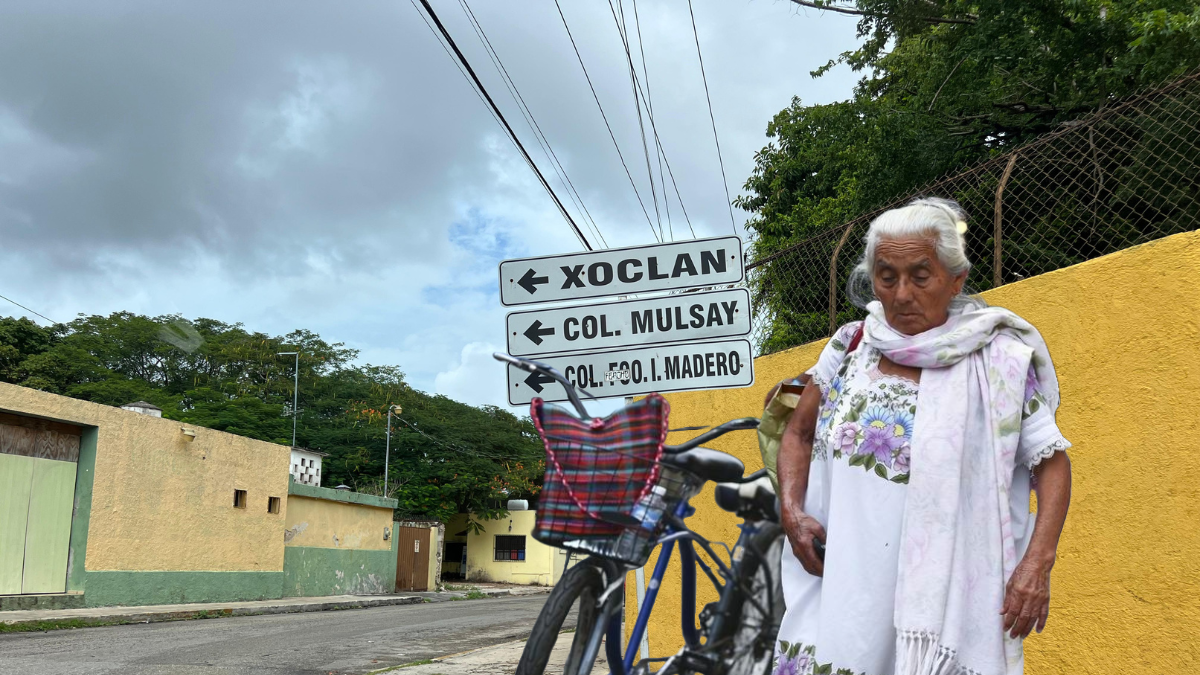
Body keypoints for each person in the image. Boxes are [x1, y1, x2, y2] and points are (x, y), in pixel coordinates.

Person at [773, 198, 1073, 675]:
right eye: (886, 276)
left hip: (946, 601)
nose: (902, 294)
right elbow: (799, 433)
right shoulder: (851, 345)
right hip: (841, 586)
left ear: (955, 279)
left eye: (920, 275)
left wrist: (1037, 563)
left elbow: (1051, 462)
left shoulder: (998, 361)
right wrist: (790, 510)